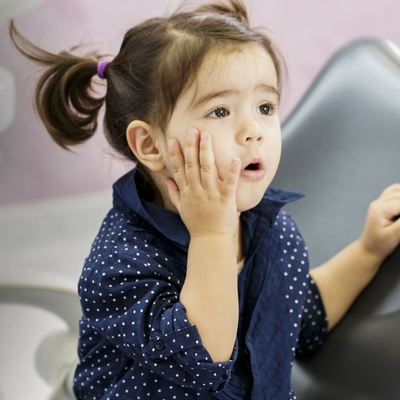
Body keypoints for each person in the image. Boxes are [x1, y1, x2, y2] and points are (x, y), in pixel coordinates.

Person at [10, 1, 400, 399]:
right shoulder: (120, 265)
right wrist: (212, 234)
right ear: (150, 144)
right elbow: (202, 361)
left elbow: (298, 317)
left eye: (265, 106)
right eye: (219, 111)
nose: (254, 131)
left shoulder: (273, 232)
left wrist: (368, 250)